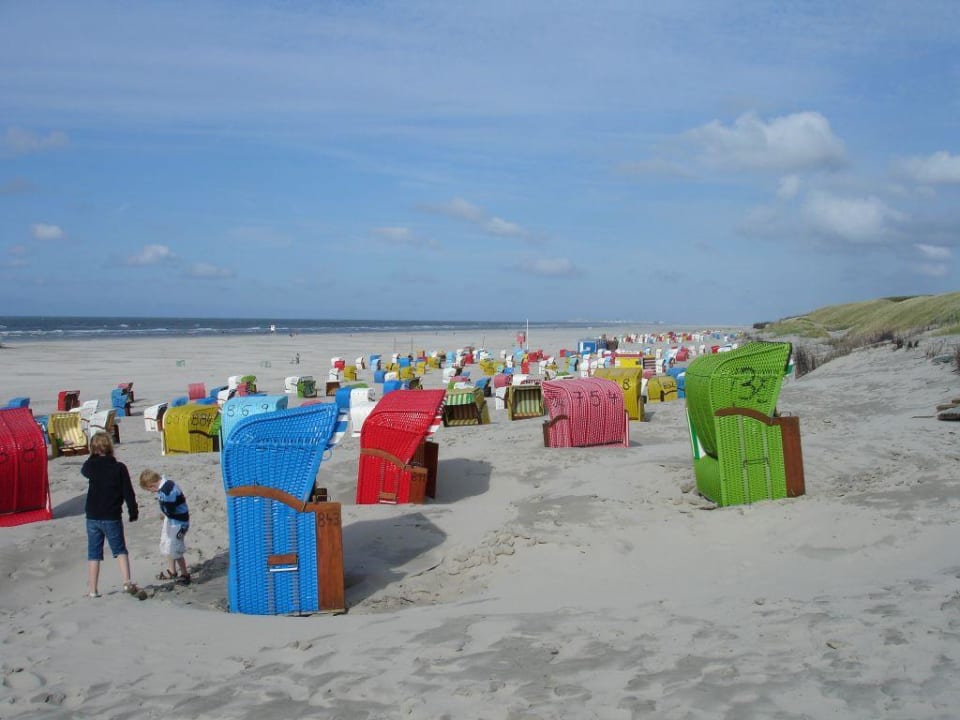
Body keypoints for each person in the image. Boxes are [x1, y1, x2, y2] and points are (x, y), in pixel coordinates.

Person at [83, 431, 138, 598]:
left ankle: (93, 589)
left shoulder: (91, 466)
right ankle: (127, 581)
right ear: (110, 448)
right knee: (119, 549)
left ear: (93, 449)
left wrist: (93, 456)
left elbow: (85, 469)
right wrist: (133, 510)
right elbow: (128, 492)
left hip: (92, 515)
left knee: (94, 553)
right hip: (111, 515)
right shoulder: (119, 467)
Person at [138, 469, 191, 584]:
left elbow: (170, 508)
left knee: (175, 548)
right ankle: (172, 571)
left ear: (151, 485)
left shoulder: (167, 491)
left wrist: (166, 514)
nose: (151, 492)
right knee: (166, 543)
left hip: (179, 522)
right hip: (171, 519)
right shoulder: (164, 486)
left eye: (149, 489)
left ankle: (185, 574)